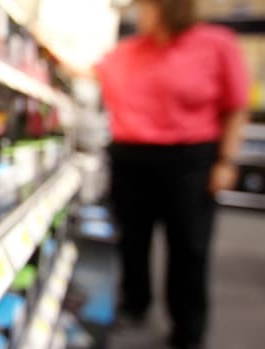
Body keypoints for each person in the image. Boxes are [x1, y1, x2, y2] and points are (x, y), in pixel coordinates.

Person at [67, 0, 249, 348]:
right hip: (131, 159)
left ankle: (188, 328)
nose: (140, 14)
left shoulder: (216, 43)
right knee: (132, 240)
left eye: (146, 7)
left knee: (189, 247)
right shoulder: (129, 51)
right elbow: (84, 70)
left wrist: (226, 160)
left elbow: (235, 107)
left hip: (190, 160)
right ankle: (135, 303)